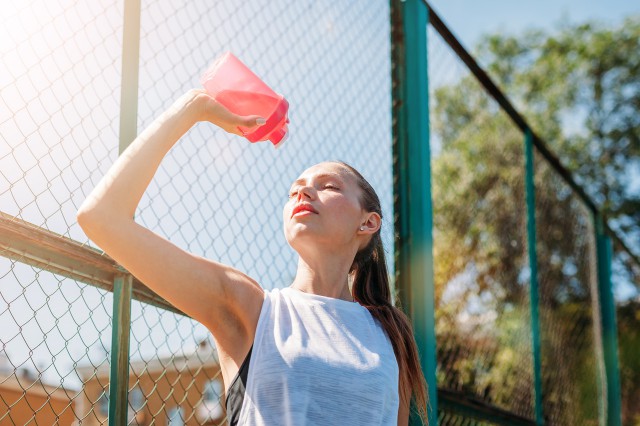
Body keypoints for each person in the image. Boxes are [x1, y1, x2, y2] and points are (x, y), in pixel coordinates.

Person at [77, 89, 428, 425]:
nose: (303, 190)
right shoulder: (251, 307)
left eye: (329, 186)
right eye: (295, 189)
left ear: (368, 223)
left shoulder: (390, 332)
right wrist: (193, 107)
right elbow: (101, 216)